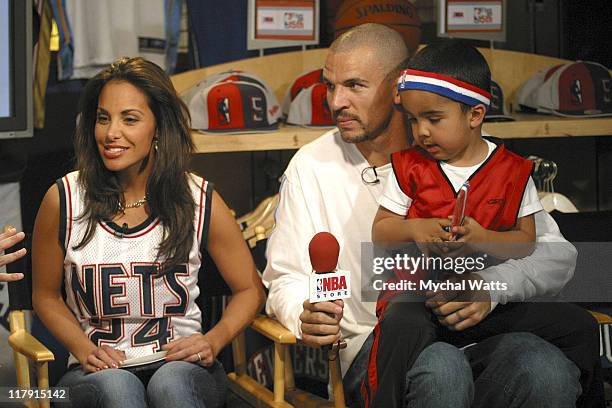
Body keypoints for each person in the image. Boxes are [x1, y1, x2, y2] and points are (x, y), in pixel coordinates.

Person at [263, 23, 597, 407]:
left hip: (484, 333)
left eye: (354, 86)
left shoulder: (476, 157)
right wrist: (304, 313)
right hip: (373, 346)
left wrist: (490, 289)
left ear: (398, 89)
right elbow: (285, 278)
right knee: (441, 369)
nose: (336, 101)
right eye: (329, 86)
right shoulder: (310, 166)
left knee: (545, 369)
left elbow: (555, 256)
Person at [364, 41, 603, 408]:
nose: (421, 132)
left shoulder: (514, 171)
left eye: (433, 118)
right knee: (399, 324)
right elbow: (381, 232)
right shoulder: (409, 166)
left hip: (486, 299)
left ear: (475, 115)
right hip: (424, 293)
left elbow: (526, 243)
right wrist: (416, 229)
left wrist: (482, 239)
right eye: (413, 120)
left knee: (580, 326)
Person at [31, 57, 265, 408]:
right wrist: (83, 349)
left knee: (171, 384)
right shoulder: (63, 198)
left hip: (181, 366)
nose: (111, 133)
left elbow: (250, 289)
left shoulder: (198, 198)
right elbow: (45, 295)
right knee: (119, 391)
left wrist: (213, 341)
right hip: (97, 370)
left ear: (158, 127)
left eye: (130, 119)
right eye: (103, 118)